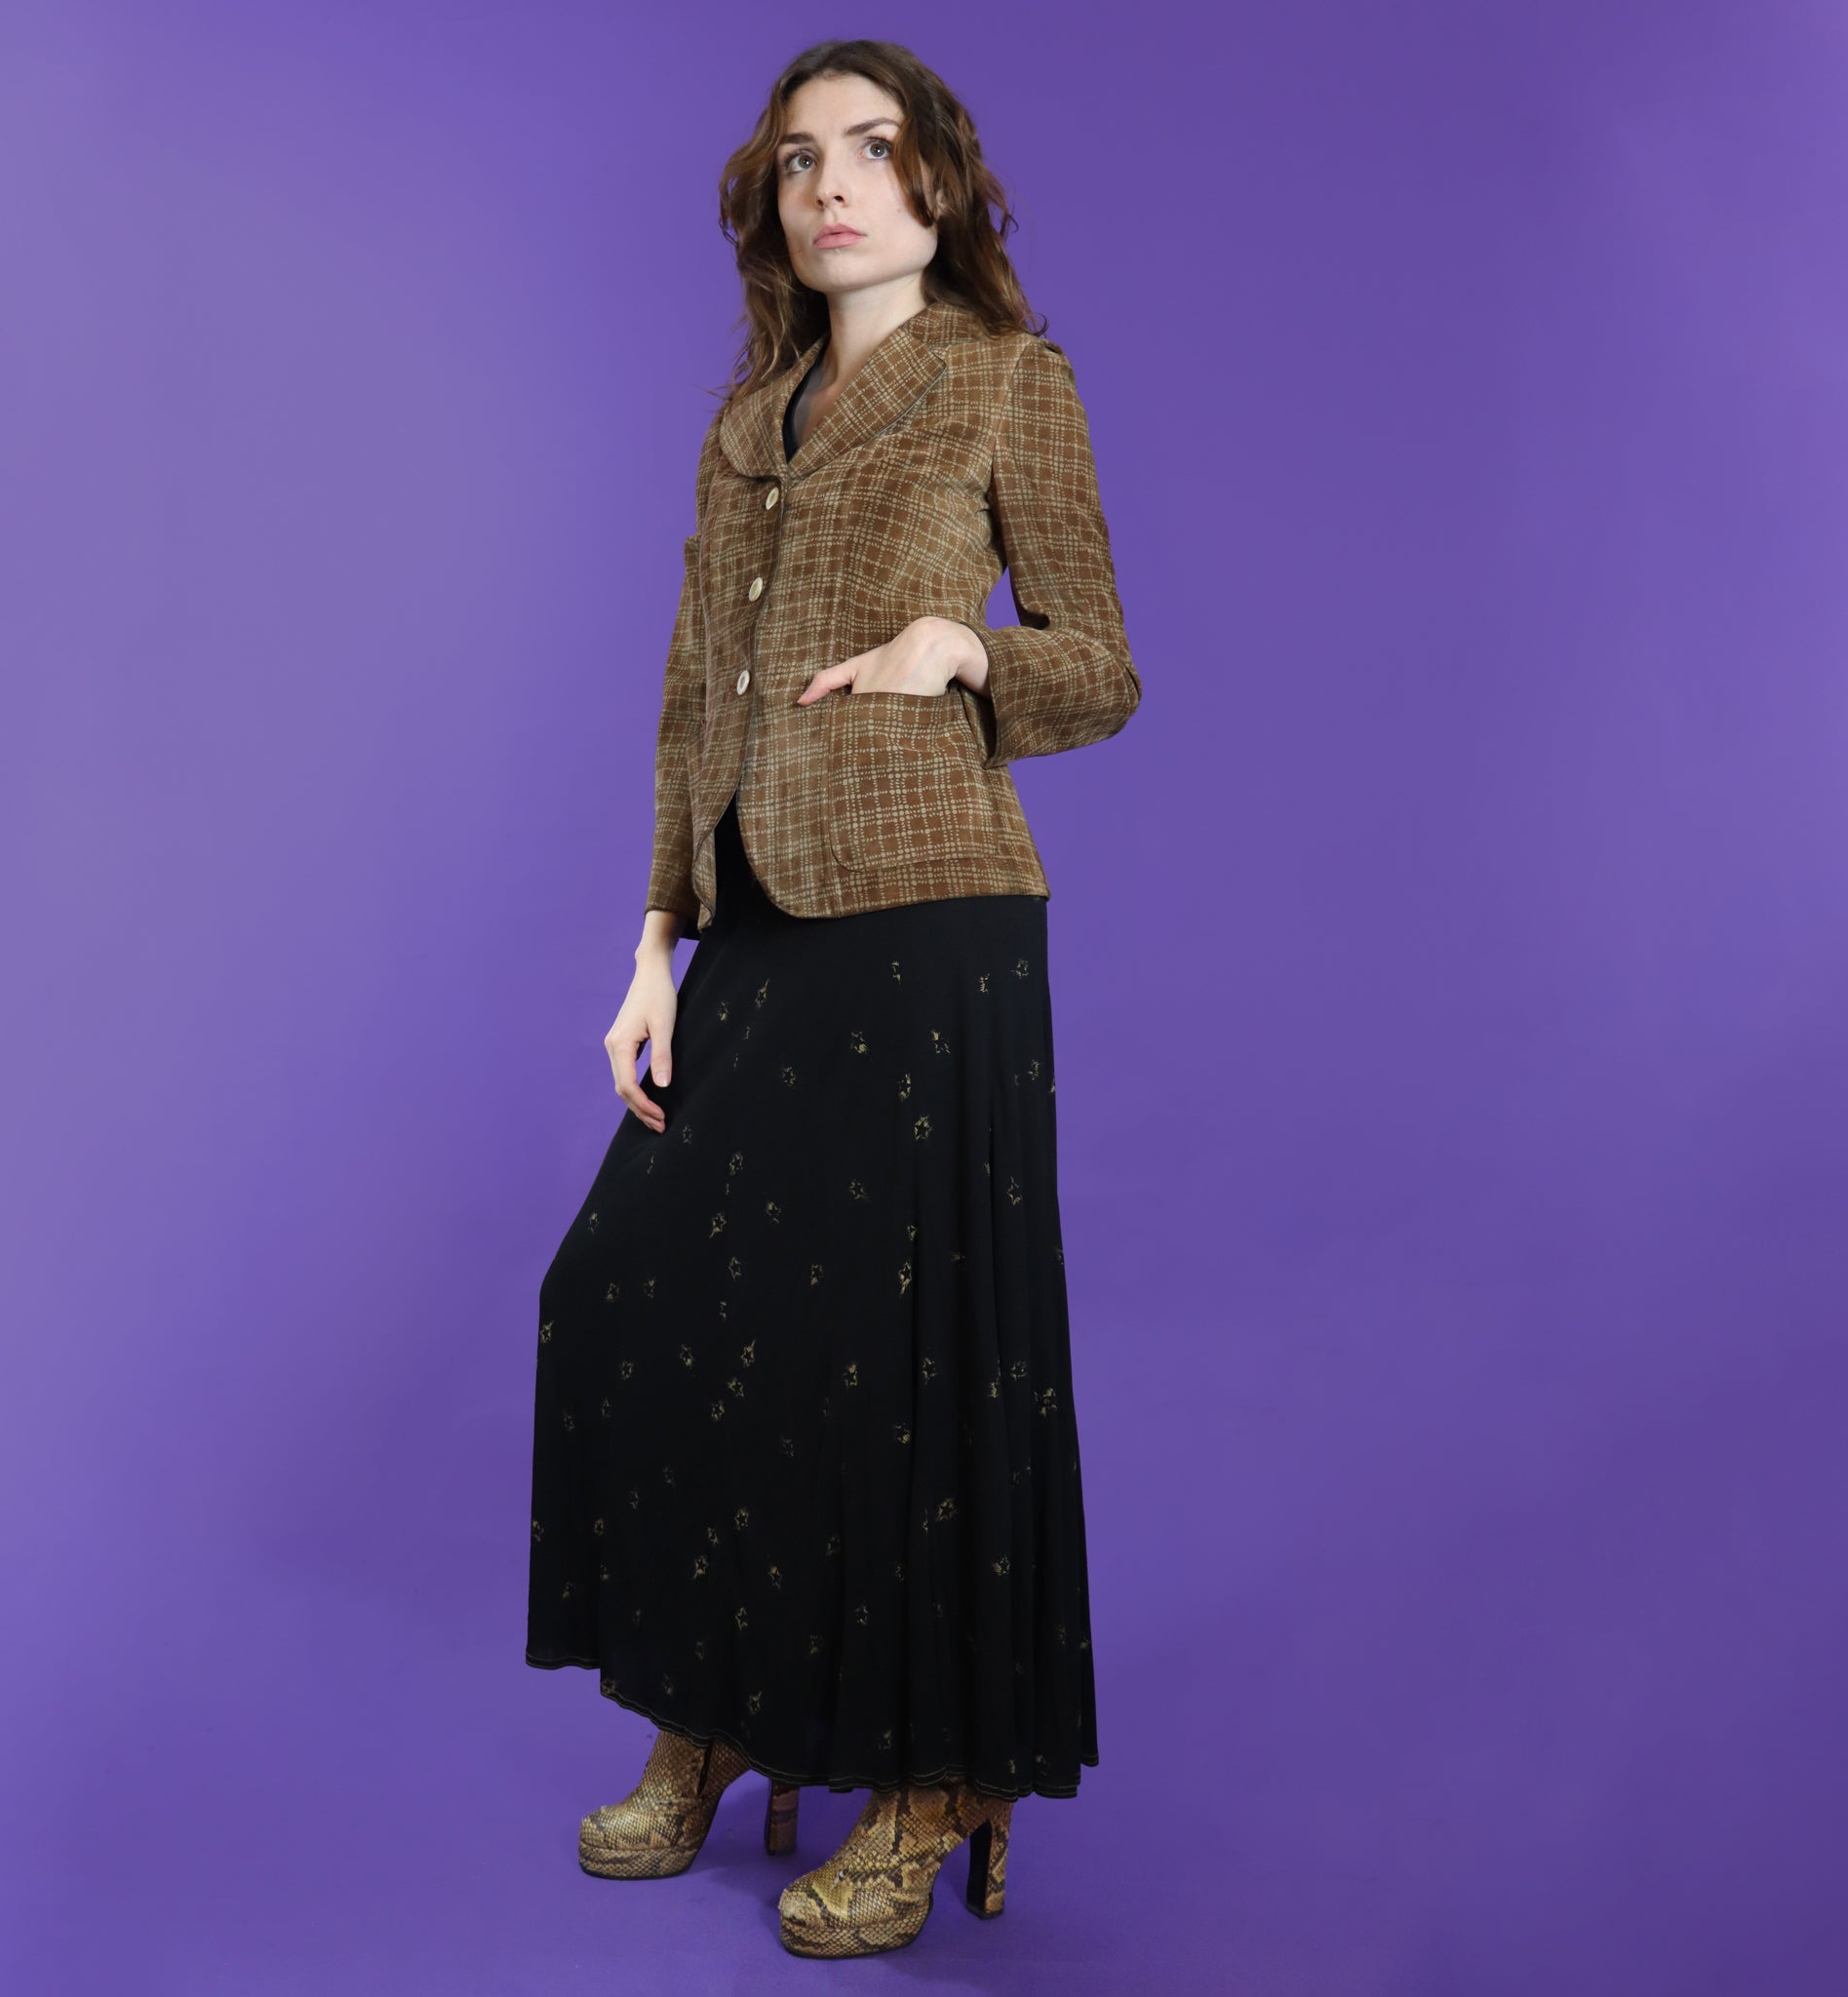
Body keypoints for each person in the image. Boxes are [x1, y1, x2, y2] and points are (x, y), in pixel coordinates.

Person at [525, 36, 1140, 1959]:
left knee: (894, 1364)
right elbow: (689, 702)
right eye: (799, 160)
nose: (832, 185)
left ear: (938, 183)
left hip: (937, 913)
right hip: (762, 921)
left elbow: (1104, 663)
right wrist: (653, 946)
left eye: (871, 150)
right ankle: (714, 1706)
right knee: (642, 1297)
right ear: (769, 206)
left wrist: (970, 648)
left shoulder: (1008, 381)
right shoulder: (745, 428)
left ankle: (930, 1780)